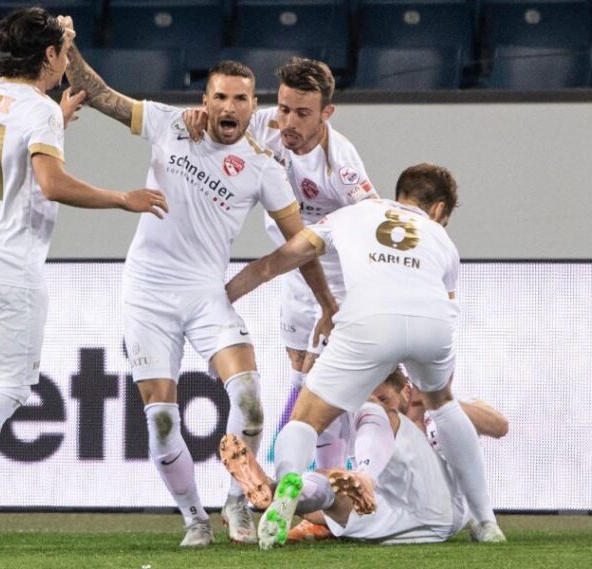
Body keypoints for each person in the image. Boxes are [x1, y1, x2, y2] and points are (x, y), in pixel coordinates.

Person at [0, 7, 168, 550]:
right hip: (8, 272)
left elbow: (11, 148)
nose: (66, 59)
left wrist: (56, 116)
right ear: (50, 55)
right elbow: (51, 183)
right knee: (11, 388)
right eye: (63, 50)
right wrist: (123, 198)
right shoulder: (38, 111)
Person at [61, 21, 336, 547]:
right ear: (205, 101)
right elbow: (99, 95)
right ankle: (194, 518)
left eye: (240, 99)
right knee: (163, 423)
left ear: (254, 107)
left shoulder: (262, 166)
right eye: (220, 97)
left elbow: (301, 243)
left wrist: (327, 303)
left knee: (250, 400)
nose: (230, 107)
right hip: (147, 293)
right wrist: (68, 48)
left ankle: (237, 499)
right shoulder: (170, 124)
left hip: (208, 294)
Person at [223, 163, 504, 549]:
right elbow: (448, 307)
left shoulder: (351, 215)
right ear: (439, 209)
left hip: (369, 320)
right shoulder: (441, 238)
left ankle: (290, 482)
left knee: (305, 420)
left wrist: (223, 297)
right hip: (432, 322)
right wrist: (434, 382)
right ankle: (486, 522)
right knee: (444, 406)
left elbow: (275, 262)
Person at [183, 57, 379, 467]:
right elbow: (222, 118)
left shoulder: (341, 165)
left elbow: (373, 225)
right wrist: (195, 118)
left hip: (340, 282)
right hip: (295, 274)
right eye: (284, 108)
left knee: (324, 386)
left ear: (327, 113)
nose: (288, 121)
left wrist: (357, 302)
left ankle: (328, 477)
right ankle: (306, 475)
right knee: (299, 369)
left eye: (302, 113)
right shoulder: (265, 123)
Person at [220, 368, 508, 545]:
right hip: (399, 524)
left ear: (406, 389)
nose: (378, 404)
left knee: (369, 435)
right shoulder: (369, 429)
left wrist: (440, 401)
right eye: (371, 399)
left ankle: (306, 486)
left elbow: (500, 426)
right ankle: (275, 491)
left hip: (443, 508)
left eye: (384, 397)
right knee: (331, 490)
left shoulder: (436, 411)